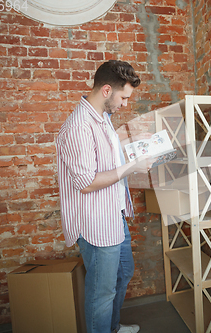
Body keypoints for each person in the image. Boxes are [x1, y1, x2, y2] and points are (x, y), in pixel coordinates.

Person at [56, 60, 153, 333]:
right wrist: (132, 166)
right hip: (96, 224)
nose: (125, 104)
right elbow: (86, 182)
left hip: (114, 215)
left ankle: (111, 328)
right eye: (123, 97)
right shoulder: (78, 126)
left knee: (123, 273)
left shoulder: (103, 118)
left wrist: (134, 148)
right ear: (107, 90)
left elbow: (105, 158)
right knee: (101, 294)